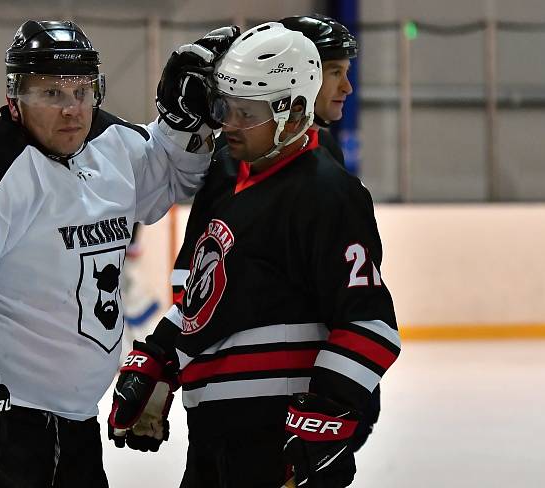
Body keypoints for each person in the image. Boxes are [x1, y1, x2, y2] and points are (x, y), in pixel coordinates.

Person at [0, 19, 237, 488]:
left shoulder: (111, 145)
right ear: (15, 97)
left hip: (76, 423)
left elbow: (163, 183)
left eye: (82, 92)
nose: (72, 110)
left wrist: (179, 126)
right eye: (51, 94)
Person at [107, 22, 400, 488]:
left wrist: (325, 416)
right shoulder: (233, 182)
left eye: (247, 112)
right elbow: (207, 300)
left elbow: (370, 325)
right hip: (215, 440)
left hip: (273, 439)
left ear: (294, 110)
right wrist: (158, 360)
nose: (228, 123)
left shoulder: (326, 192)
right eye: (227, 108)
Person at [281, 13, 383, 457]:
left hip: (312, 394)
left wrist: (341, 395)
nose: (348, 88)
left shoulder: (327, 151)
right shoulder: (234, 163)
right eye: (335, 73)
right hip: (260, 402)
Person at [281, 14, 358, 168]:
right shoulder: (235, 155)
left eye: (346, 73)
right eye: (336, 73)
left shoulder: (328, 148)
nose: (347, 88)